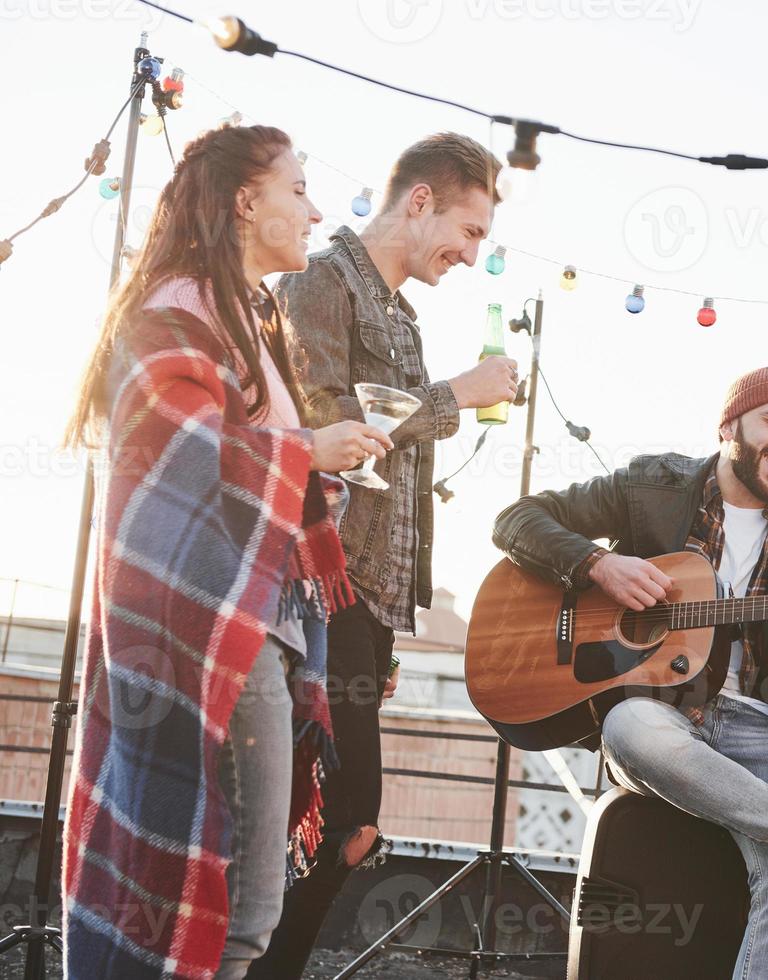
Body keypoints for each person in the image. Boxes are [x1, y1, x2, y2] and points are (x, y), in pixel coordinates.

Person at [61, 124, 391, 979]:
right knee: (223, 916)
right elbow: (176, 447)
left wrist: (317, 466)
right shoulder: (176, 309)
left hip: (254, 630)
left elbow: (243, 465)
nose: (315, 209)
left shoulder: (248, 317)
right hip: (205, 635)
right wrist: (306, 452)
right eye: (297, 189)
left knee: (232, 914)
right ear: (247, 201)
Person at [493, 367, 768, 977]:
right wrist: (598, 565)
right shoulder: (649, 486)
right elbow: (517, 519)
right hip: (660, 715)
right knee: (627, 729)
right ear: (728, 426)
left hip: (762, 726)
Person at [248, 132, 519, 978]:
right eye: (469, 232)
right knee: (338, 820)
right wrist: (458, 397)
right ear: (420, 202)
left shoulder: (397, 315)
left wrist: (393, 627)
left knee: (342, 821)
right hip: (317, 596)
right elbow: (330, 436)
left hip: (366, 605)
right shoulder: (319, 285)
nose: (473, 257)